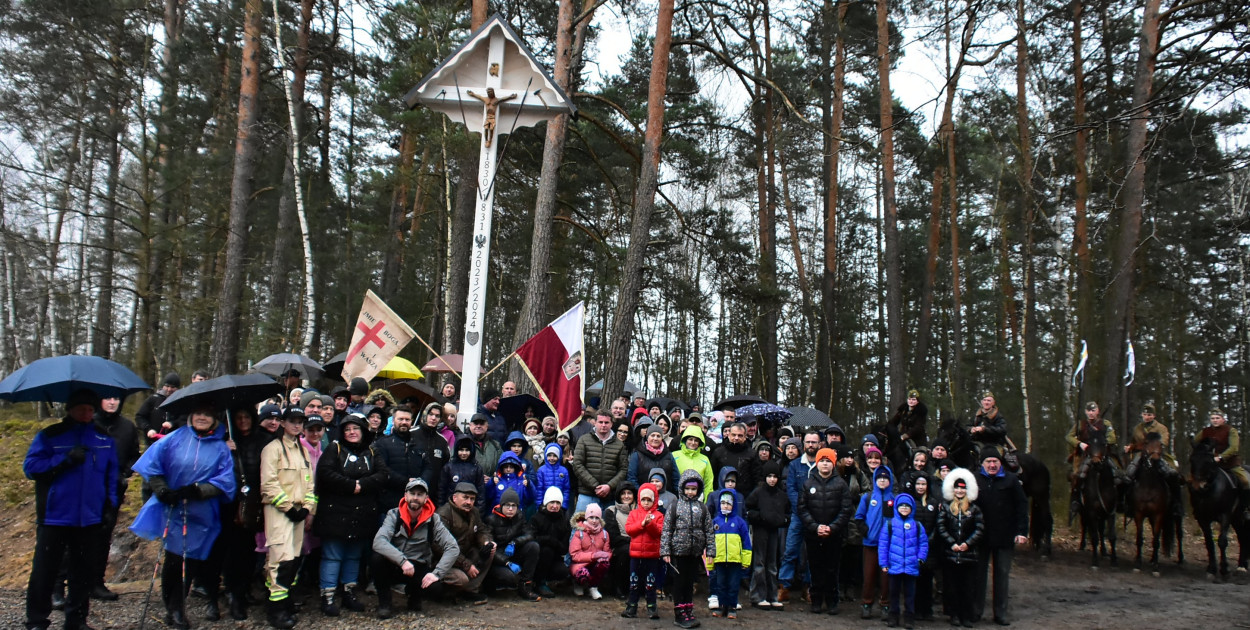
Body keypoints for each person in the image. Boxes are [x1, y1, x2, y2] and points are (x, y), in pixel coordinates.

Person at [129, 403, 234, 629]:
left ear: (215, 419)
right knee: (175, 559)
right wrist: (163, 490)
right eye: (199, 413)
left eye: (208, 413)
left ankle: (181, 600)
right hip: (174, 509)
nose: (203, 417)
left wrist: (199, 489)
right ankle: (174, 608)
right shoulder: (174, 438)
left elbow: (226, 482)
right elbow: (153, 464)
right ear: (191, 415)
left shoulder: (220, 447)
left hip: (203, 514)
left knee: (193, 560)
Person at [24, 389, 119, 630]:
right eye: (81, 409)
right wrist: (64, 460)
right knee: (45, 572)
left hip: (89, 517)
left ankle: (76, 619)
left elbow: (111, 477)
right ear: (70, 409)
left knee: (83, 573)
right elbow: (31, 467)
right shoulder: (50, 435)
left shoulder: (104, 440)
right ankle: (37, 620)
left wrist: (110, 506)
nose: (86, 413)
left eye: (90, 409)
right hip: (55, 515)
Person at [314, 414, 389, 616]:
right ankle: (328, 596)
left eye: (355, 429)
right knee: (333, 555)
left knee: (354, 556)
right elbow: (325, 472)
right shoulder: (334, 449)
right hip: (335, 511)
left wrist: (362, 485)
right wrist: (350, 485)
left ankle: (349, 592)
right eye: (347, 429)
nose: (352, 432)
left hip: (363, 512)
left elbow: (382, 475)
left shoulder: (372, 452)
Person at [259, 408, 317, 629]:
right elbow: (269, 484)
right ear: (283, 423)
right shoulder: (272, 449)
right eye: (292, 421)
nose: (296, 425)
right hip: (279, 512)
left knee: (293, 559)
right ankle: (276, 609)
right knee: (280, 560)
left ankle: (285, 598)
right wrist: (288, 507)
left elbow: (310, 482)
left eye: (300, 422)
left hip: (299, 514)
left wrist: (308, 507)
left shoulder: (302, 450)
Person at [371, 478, 459, 618]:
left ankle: (414, 596)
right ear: (405, 495)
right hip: (395, 564)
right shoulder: (394, 515)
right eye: (412, 493)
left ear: (426, 498)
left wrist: (437, 573)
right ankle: (385, 603)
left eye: (420, 494)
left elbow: (453, 547)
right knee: (377, 559)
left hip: (418, 566)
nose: (415, 498)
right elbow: (379, 541)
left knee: (435, 588)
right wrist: (402, 561)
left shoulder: (434, 520)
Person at [82, 394, 138, 601]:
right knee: (78, 536)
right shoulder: (89, 422)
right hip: (87, 489)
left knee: (104, 536)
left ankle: (97, 582)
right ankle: (64, 585)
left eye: (116, 398)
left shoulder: (127, 426)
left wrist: (125, 473)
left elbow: (134, 454)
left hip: (114, 489)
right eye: (107, 398)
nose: (112, 402)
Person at [219, 405, 271, 621]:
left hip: (255, 502)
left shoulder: (263, 440)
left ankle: (245, 588)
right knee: (233, 552)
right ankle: (234, 594)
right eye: (238, 417)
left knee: (251, 550)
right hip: (231, 502)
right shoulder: (227, 441)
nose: (242, 421)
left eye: (246, 417)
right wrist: (226, 450)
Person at [973, 449, 1028, 626]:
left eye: (995, 461)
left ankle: (1001, 613)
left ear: (1000, 463)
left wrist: (1021, 531)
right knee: (978, 576)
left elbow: (1022, 506)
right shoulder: (975, 480)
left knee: (1002, 575)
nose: (992, 465)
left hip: (1004, 536)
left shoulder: (1011, 480)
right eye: (988, 461)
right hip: (980, 536)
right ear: (982, 463)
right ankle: (976, 611)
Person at [797, 447, 852, 615]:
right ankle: (816, 600)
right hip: (813, 534)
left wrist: (832, 528)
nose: (825, 464)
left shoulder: (841, 484)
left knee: (832, 569)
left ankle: (832, 601)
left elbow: (846, 509)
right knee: (815, 568)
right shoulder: (808, 483)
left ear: (833, 463)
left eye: (828, 461)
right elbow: (802, 508)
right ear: (817, 463)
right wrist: (815, 527)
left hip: (834, 535)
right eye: (822, 461)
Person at [660, 470, 715, 629]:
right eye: (688, 488)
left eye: (694, 489)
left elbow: (709, 531)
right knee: (679, 583)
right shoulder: (675, 506)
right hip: (678, 552)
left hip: (695, 552)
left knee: (690, 582)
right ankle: (679, 612)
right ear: (682, 488)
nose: (690, 492)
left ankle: (688, 609)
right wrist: (665, 551)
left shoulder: (702, 508)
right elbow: (667, 530)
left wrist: (710, 551)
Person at [778, 430, 821, 602]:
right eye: (808, 442)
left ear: (819, 445)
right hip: (798, 515)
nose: (811, 445)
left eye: (814, 442)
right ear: (804, 444)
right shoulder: (795, 465)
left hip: (817, 516)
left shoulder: (822, 464)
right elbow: (791, 489)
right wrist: (801, 508)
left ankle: (808, 587)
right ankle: (784, 586)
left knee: (812, 553)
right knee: (790, 551)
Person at [436, 482, 495, 603]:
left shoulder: (474, 512)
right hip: (442, 561)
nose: (469, 502)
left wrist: (487, 542)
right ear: (454, 498)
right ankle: (442, 593)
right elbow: (441, 547)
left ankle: (470, 591)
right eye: (465, 497)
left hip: (464, 554)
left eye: (472, 499)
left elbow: (482, 530)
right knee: (461, 579)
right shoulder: (443, 514)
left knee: (490, 550)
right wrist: (466, 565)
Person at [938, 468, 983, 628]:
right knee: (952, 587)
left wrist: (967, 544)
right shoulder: (946, 507)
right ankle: (954, 615)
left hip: (969, 555)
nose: (959, 490)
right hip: (951, 554)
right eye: (957, 487)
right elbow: (941, 526)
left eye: (963, 487)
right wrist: (952, 543)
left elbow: (979, 529)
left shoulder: (974, 509)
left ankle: (966, 615)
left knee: (968, 587)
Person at [879, 492, 928, 629]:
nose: (904, 508)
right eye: (901, 506)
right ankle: (893, 616)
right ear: (896, 507)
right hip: (894, 566)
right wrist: (884, 563)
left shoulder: (917, 525)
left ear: (912, 508)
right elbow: (883, 545)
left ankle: (909, 617)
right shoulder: (890, 524)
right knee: (893, 593)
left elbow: (923, 543)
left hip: (911, 566)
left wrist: (920, 559)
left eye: (907, 506)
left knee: (910, 595)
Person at [484, 488, 542, 601]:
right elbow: (490, 546)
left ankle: (526, 586)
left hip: (513, 551)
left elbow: (529, 534)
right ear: (501, 505)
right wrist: (506, 562)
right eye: (507, 505)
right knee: (509, 577)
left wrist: (514, 542)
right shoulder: (491, 520)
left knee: (533, 546)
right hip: (497, 559)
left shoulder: (519, 517)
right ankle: (489, 585)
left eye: (514, 506)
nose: (510, 509)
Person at [746, 460, 789, 609]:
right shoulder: (758, 492)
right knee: (759, 564)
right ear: (764, 477)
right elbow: (749, 510)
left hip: (774, 531)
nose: (772, 479)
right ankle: (757, 596)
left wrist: (782, 520)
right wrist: (761, 517)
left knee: (772, 564)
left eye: (775, 476)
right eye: (769, 476)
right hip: (760, 530)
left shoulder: (781, 495)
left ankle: (772, 596)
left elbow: (787, 513)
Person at [854, 465, 895, 619]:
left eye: (885, 478)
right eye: (879, 478)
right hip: (870, 544)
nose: (882, 481)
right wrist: (866, 531)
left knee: (886, 577)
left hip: (888, 546)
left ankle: (885, 604)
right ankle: (866, 603)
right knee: (869, 575)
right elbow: (859, 517)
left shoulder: (893, 499)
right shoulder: (868, 497)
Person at [1066, 401, 1119, 516]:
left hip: (1102, 454)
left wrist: (1101, 442)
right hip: (1085, 455)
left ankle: (1119, 501)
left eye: (1093, 410)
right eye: (1089, 411)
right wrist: (1080, 443)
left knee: (1117, 474)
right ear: (1086, 412)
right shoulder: (1080, 424)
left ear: (1098, 411)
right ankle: (1076, 503)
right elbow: (1069, 437)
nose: (1091, 413)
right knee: (1078, 476)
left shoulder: (1106, 423)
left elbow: (1112, 438)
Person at [1192, 408, 1250, 513]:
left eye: (1217, 418)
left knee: (1246, 481)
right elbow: (1195, 442)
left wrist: (1221, 457)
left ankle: (1245, 507)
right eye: (1212, 418)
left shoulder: (1231, 431)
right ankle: (1197, 509)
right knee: (1193, 480)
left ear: (1223, 419)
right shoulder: (1205, 431)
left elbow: (1234, 448)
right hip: (1210, 465)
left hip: (1230, 464)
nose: (1215, 420)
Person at [571, 410, 629, 514]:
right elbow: (577, 465)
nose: (603, 425)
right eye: (600, 422)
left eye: (606, 422)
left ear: (611, 424)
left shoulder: (619, 445)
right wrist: (595, 485)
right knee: (580, 527)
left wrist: (609, 486)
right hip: (587, 494)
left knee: (608, 529)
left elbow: (623, 470)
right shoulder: (584, 440)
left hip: (609, 496)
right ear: (595, 423)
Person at [622, 482, 665, 619]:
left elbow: (658, 532)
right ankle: (632, 606)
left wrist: (650, 524)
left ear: (654, 500)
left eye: (649, 500)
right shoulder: (634, 514)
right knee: (634, 582)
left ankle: (652, 607)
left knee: (650, 583)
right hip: (636, 555)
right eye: (644, 500)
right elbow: (629, 530)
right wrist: (642, 524)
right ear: (639, 499)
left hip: (652, 555)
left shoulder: (658, 516)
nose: (646, 503)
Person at [709, 490, 752, 619]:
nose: (725, 506)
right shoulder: (715, 522)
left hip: (735, 560)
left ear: (733, 505)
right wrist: (709, 562)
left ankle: (732, 607)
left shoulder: (740, 522)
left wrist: (746, 561)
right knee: (720, 584)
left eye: (728, 503)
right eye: (722, 503)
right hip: (719, 559)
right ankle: (722, 606)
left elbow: (746, 542)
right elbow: (709, 543)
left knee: (733, 584)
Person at [375, 405, 426, 513]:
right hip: (389, 502)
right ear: (393, 421)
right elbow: (383, 470)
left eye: (407, 419)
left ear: (411, 421)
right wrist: (406, 482)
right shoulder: (382, 443)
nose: (404, 422)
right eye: (400, 419)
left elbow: (428, 466)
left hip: (414, 503)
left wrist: (420, 483)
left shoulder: (419, 444)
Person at [907, 474, 940, 621]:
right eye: (918, 484)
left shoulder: (933, 503)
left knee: (928, 580)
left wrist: (929, 540)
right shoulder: (909, 502)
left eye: (923, 484)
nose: (921, 487)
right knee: (915, 580)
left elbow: (937, 524)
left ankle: (928, 609)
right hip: (913, 547)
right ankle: (915, 609)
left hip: (930, 547)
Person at [530, 487, 572, 597]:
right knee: (546, 550)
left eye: (558, 502)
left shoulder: (564, 521)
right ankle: (539, 583)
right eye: (552, 502)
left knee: (563, 571)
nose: (555, 506)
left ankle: (546, 581)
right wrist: (549, 540)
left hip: (555, 557)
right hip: (537, 558)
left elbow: (564, 548)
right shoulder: (536, 518)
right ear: (546, 502)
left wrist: (552, 542)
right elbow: (532, 538)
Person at [569, 503, 612, 599]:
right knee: (582, 574)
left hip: (595, 564)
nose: (594, 521)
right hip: (580, 564)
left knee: (604, 563)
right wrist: (593, 555)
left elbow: (607, 552)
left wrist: (604, 556)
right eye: (591, 517)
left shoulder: (604, 534)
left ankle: (593, 587)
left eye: (597, 518)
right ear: (586, 518)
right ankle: (578, 584)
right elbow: (575, 555)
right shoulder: (579, 533)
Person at [604, 482, 637, 597]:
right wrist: (631, 540)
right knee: (626, 551)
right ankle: (618, 587)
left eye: (629, 493)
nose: (626, 496)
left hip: (638, 544)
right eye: (623, 493)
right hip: (619, 547)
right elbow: (613, 537)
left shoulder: (639, 510)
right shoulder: (611, 511)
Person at [441, 435, 486, 510]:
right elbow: (442, 490)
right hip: (451, 507)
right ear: (456, 450)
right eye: (461, 450)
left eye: (467, 450)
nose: (464, 453)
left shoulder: (477, 468)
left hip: (470, 507)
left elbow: (481, 493)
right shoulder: (449, 467)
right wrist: (441, 508)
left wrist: (479, 512)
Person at [628, 424, 678, 493]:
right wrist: (642, 493)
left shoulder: (669, 455)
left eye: (658, 436)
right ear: (647, 437)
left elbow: (676, 478)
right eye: (652, 435)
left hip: (666, 498)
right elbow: (632, 478)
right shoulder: (637, 455)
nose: (655, 438)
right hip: (644, 499)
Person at [135, 372, 180, 445]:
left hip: (173, 443)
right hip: (152, 443)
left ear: (177, 388)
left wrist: (172, 423)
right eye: (167, 386)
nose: (169, 389)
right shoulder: (153, 399)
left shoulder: (180, 402)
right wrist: (148, 429)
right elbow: (139, 417)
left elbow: (184, 419)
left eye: (172, 387)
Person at [712, 422, 758, 491]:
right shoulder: (718, 452)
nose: (736, 438)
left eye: (740, 435)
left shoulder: (752, 454)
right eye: (734, 435)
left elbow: (757, 478)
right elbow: (713, 477)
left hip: (745, 496)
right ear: (729, 435)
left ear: (745, 437)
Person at [671, 426, 714, 500]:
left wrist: (707, 502)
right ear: (685, 440)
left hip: (698, 500)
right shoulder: (674, 456)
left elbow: (708, 483)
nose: (693, 443)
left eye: (696, 440)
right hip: (677, 499)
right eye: (690, 439)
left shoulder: (704, 459)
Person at [534, 442, 571, 510]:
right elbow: (539, 489)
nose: (552, 458)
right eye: (549, 455)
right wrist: (540, 504)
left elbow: (566, 489)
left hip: (559, 505)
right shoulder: (541, 470)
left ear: (559, 457)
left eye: (555, 456)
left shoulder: (563, 470)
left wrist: (564, 505)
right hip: (545, 505)